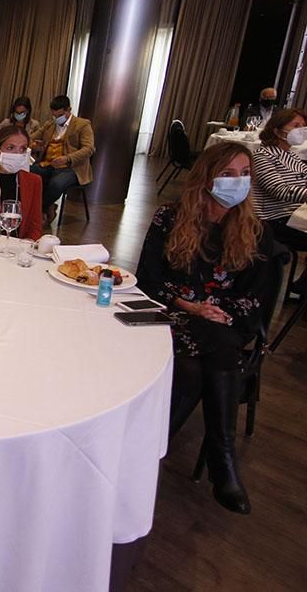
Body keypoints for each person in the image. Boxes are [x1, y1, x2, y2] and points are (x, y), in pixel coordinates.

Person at [136, 141, 273, 515]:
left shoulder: (256, 231)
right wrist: (188, 305)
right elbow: (148, 279)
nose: (237, 181)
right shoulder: (170, 218)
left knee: (213, 346)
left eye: (244, 174)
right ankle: (222, 460)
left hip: (224, 322)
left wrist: (215, 311)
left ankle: (152, 455)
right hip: (174, 314)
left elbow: (254, 299)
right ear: (207, 178)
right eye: (227, 174)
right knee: (202, 362)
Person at [30, 95, 95, 222]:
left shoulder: (82, 125)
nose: (56, 118)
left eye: (59, 115)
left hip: (71, 168)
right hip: (47, 164)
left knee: (56, 184)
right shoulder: (50, 124)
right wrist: (32, 144)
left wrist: (68, 158)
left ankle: (38, 210)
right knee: (26, 173)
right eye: (54, 115)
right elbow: (31, 137)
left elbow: (89, 149)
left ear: (68, 110)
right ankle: (45, 206)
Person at [251, 107, 307, 250]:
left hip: (293, 216)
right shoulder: (263, 155)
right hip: (271, 221)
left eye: (303, 126)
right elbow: (279, 190)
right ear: (276, 130)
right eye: (296, 126)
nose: (301, 130)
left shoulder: (292, 156)